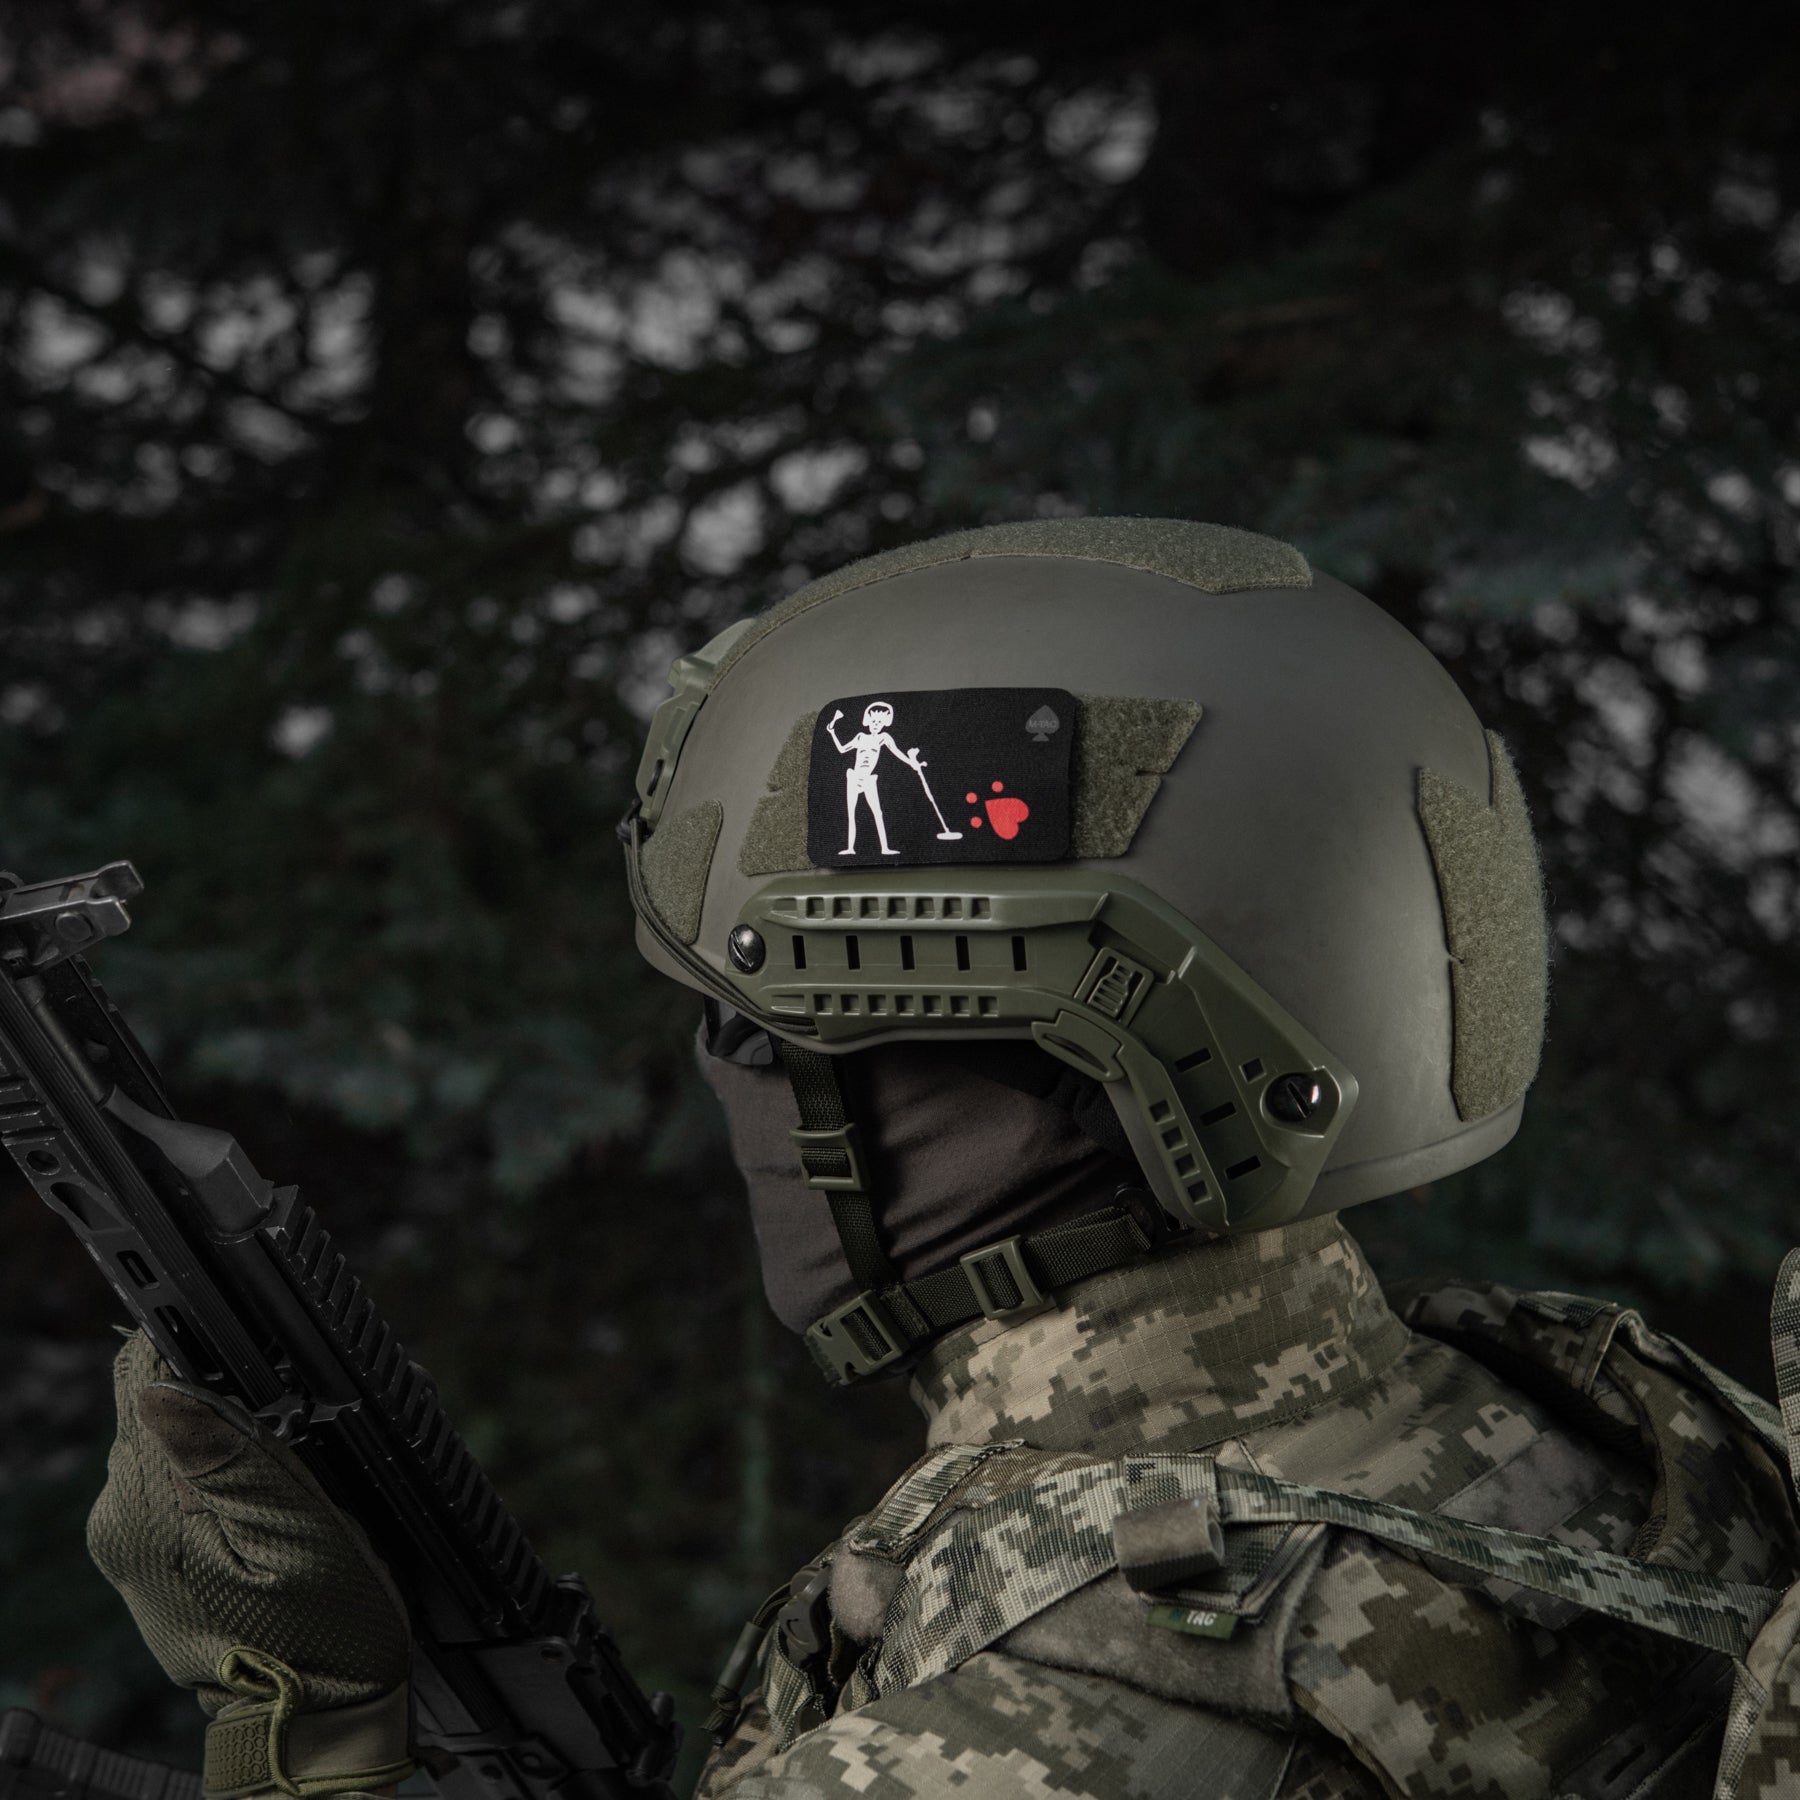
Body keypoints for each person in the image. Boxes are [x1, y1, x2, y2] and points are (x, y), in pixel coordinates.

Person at [88, 519, 1800, 1798]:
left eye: (772, 1023)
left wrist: (312, 1738)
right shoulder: (1584, 1430)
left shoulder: (1053, 1711)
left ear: (1075, 1048)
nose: (735, 1075)